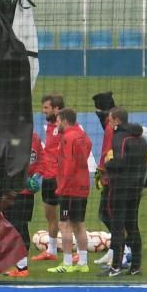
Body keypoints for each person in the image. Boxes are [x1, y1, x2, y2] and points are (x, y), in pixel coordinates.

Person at [100, 106, 146, 277]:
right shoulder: (141, 139)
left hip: (120, 189)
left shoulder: (119, 137)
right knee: (132, 226)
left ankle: (116, 267)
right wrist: (144, 183)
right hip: (135, 190)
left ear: (117, 121)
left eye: (110, 120)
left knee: (117, 227)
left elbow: (119, 162)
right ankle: (136, 266)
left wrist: (107, 163)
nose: (109, 123)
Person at [31, 94, 76, 263]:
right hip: (49, 179)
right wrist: (39, 173)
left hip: (62, 179)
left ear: (57, 109)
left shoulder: (68, 128)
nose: (43, 111)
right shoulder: (50, 127)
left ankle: (73, 254)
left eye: (46, 108)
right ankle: (51, 250)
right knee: (50, 215)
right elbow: (47, 154)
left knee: (68, 219)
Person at [47, 108, 92, 274]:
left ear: (65, 121)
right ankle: (83, 262)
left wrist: (62, 186)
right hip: (82, 185)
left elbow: (69, 164)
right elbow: (89, 144)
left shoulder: (67, 137)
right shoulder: (80, 134)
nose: (56, 124)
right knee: (79, 224)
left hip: (70, 188)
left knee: (64, 224)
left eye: (58, 121)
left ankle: (67, 263)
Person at [3, 130, 44, 278]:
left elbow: (40, 161)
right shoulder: (33, 137)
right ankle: (21, 265)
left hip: (16, 193)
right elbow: (41, 161)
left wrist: (35, 177)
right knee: (20, 226)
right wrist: (34, 177)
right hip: (18, 192)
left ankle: (22, 267)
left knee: (16, 228)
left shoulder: (11, 138)